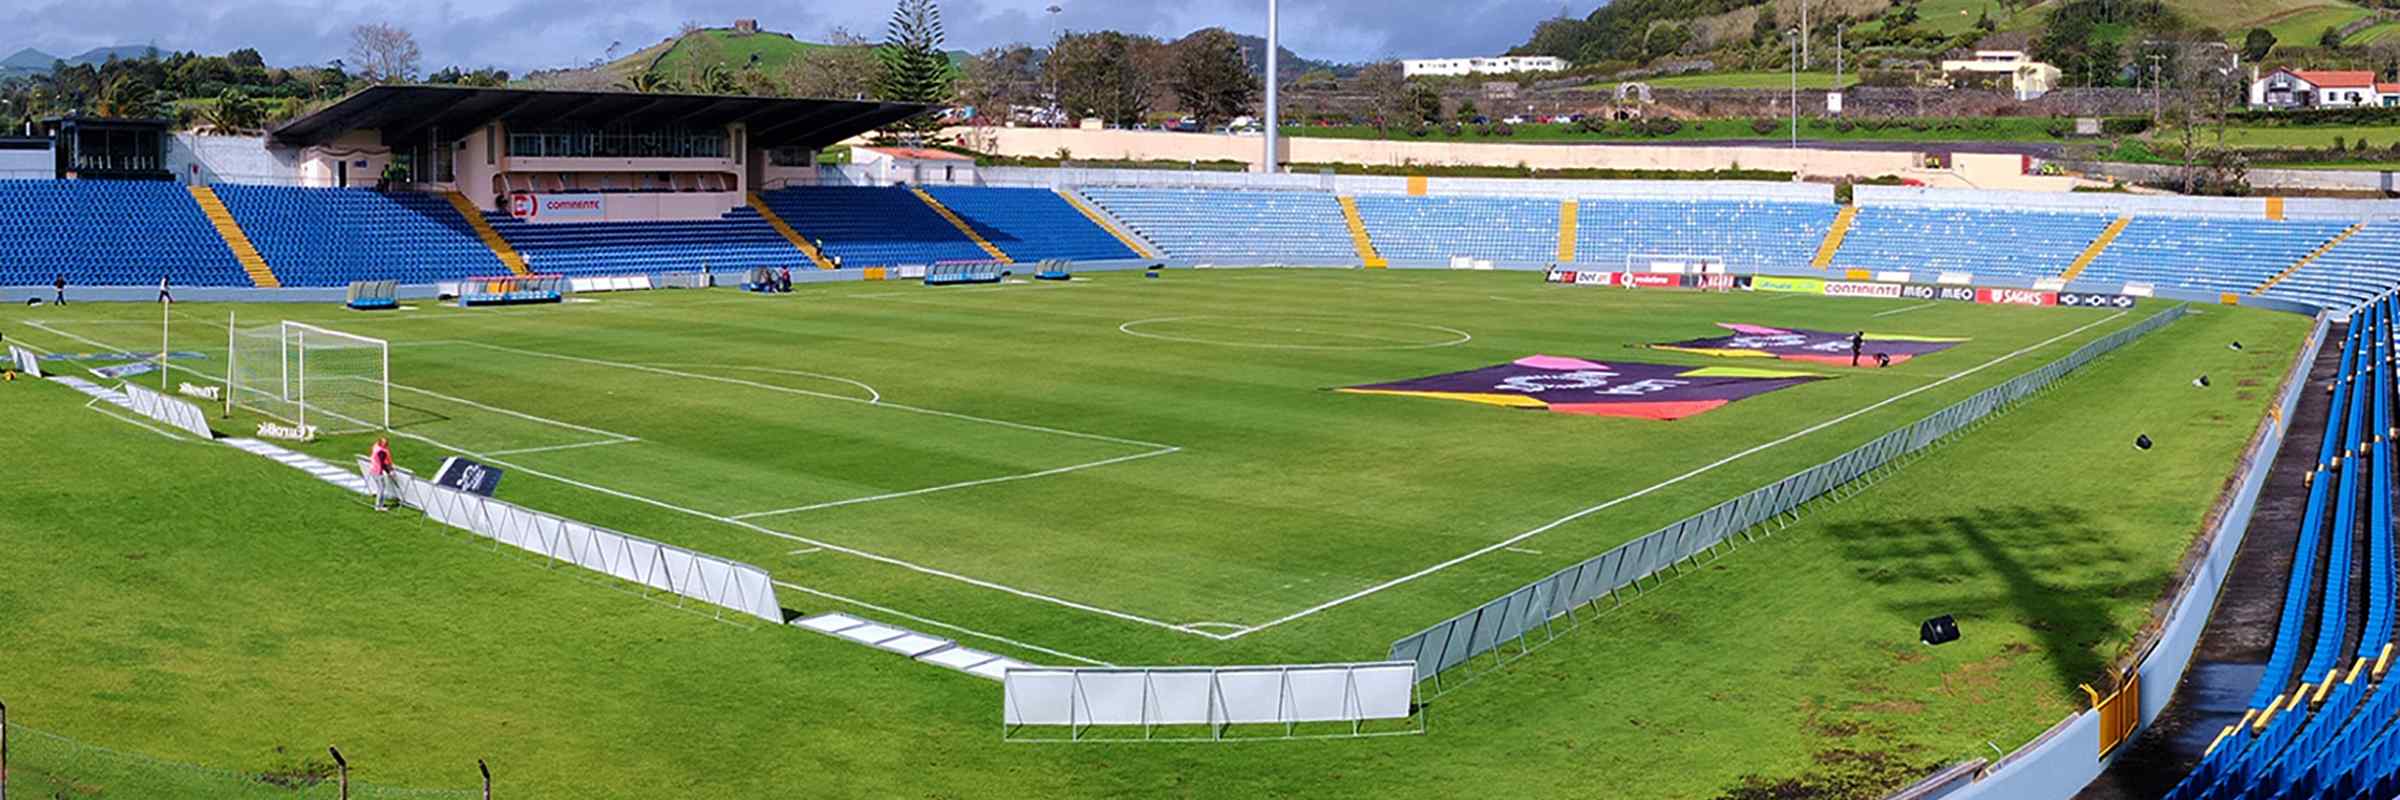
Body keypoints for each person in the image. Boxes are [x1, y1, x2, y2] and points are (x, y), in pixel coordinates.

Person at [367, 437, 396, 511]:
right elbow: (383, 463)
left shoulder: (376, 447)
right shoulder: (381, 452)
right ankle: (378, 506)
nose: (386, 444)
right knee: (381, 488)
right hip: (377, 471)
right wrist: (389, 472)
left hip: (373, 469)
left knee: (381, 487)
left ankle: (380, 504)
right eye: (385, 443)